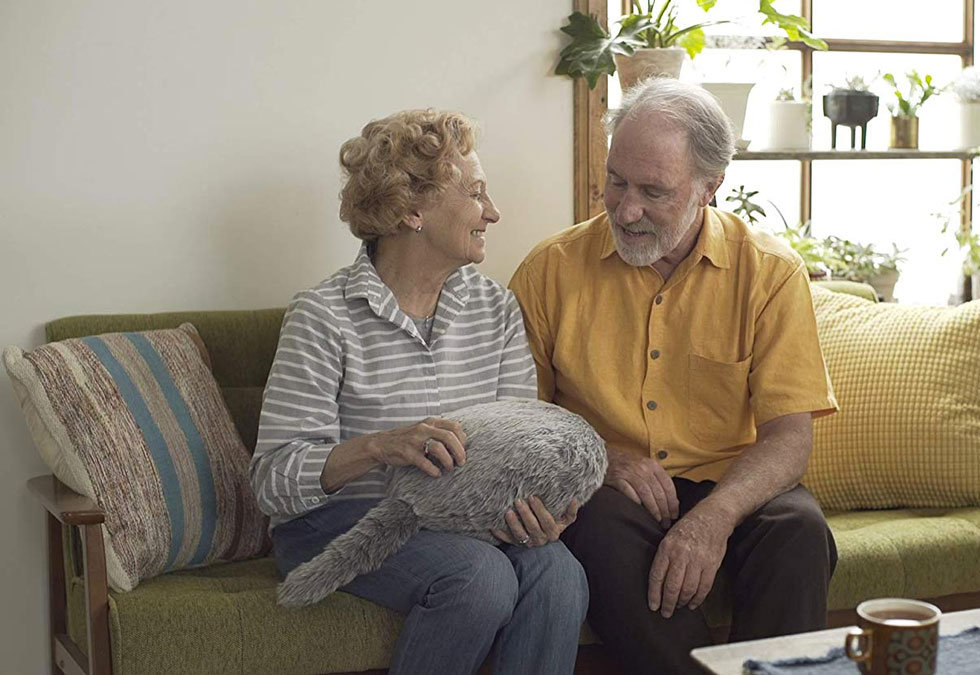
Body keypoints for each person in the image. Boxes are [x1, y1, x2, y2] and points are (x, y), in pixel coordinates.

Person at [509, 78, 839, 674]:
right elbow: (514, 422)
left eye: (653, 191)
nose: (626, 209)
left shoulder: (770, 274)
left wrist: (714, 517)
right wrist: (600, 457)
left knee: (798, 530)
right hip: (613, 490)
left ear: (710, 187)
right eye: (616, 181)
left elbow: (789, 435)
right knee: (600, 532)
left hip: (731, 483)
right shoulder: (549, 270)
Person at [251, 109, 587, 675]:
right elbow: (271, 482)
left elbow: (520, 454)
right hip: (337, 524)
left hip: (459, 522)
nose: (493, 212)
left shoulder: (496, 310)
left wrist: (544, 512)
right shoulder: (322, 317)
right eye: (476, 193)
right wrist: (380, 447)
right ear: (411, 210)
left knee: (558, 571)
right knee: (478, 576)